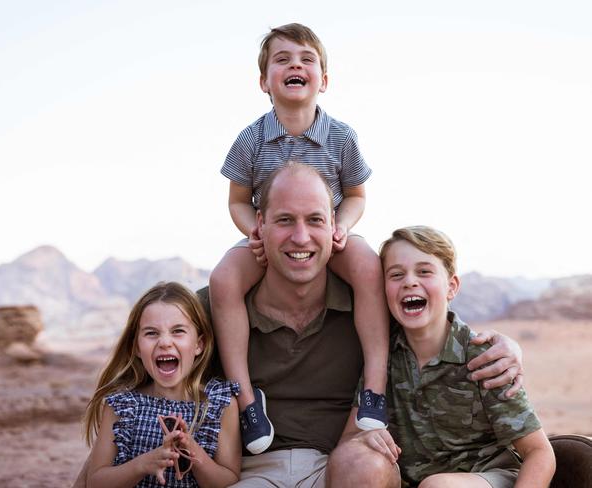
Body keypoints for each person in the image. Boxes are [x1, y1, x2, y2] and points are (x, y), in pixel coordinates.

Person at [200, 163, 526, 487]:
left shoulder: (369, 304)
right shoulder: (218, 305)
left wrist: (506, 346)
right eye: (285, 220)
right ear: (260, 224)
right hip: (252, 472)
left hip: (338, 467)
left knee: (365, 464)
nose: (301, 237)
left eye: (315, 220)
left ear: (334, 226)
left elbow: (432, 328)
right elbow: (159, 340)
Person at [209, 23, 390, 455]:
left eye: (307, 59)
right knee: (222, 281)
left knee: (368, 266)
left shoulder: (341, 136)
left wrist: (341, 225)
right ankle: (247, 401)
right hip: (271, 237)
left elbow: (357, 194)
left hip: (328, 234)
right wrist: (252, 228)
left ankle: (375, 388)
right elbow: (236, 200)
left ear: (323, 80)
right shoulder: (251, 139)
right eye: (283, 59)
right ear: (263, 81)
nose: (296, 65)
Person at [373, 226, 555, 488]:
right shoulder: (382, 353)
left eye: (424, 271)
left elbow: (539, 452)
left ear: (451, 287)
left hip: (487, 478)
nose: (409, 281)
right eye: (396, 274)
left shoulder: (484, 357)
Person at [82, 282, 241, 488]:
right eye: (151, 333)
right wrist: (142, 464)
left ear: (199, 344)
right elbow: (95, 482)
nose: (165, 342)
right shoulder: (122, 406)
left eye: (178, 331)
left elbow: (228, 480)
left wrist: (191, 450)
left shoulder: (220, 404)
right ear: (137, 347)